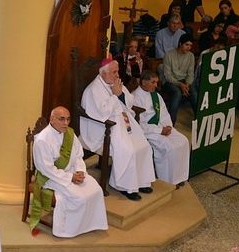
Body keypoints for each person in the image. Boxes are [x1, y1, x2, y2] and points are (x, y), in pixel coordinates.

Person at [80, 58, 155, 201]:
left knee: (144, 146)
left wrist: (120, 94)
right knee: (128, 150)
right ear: (103, 74)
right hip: (103, 128)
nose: (117, 75)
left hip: (123, 122)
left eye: (117, 71)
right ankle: (126, 187)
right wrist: (115, 96)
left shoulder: (115, 82)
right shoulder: (93, 90)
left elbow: (130, 100)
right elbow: (102, 113)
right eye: (114, 72)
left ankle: (141, 182)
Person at [30, 107, 108, 238]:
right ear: (52, 119)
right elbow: (46, 169)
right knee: (79, 197)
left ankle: (89, 224)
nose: (66, 123)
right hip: (52, 177)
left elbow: (78, 155)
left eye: (68, 119)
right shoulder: (42, 140)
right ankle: (68, 229)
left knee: (96, 190)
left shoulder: (70, 133)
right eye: (61, 119)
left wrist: (80, 171)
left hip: (72, 172)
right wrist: (70, 177)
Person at [133, 71, 190, 186]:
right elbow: (139, 123)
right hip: (148, 131)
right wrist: (159, 131)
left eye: (156, 82)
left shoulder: (156, 96)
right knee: (169, 147)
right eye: (153, 82)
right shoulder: (135, 97)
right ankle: (168, 180)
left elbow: (164, 114)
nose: (156, 85)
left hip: (161, 127)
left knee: (183, 141)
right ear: (143, 82)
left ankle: (179, 177)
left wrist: (168, 126)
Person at [162, 34, 197, 124]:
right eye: (186, 45)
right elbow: (168, 76)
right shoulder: (169, 55)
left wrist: (187, 85)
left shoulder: (191, 56)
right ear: (180, 44)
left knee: (193, 92)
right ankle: (170, 123)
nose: (189, 48)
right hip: (170, 81)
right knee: (177, 93)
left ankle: (199, 120)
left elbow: (190, 74)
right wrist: (180, 85)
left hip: (185, 81)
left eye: (190, 45)